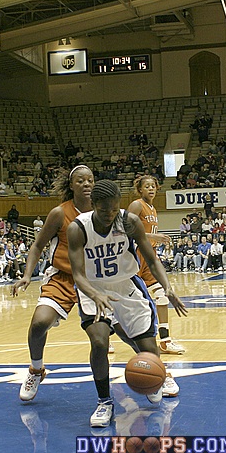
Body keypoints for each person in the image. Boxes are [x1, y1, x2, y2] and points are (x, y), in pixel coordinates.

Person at [67, 180, 188, 427]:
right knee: (99, 342)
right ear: (93, 205)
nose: (110, 215)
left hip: (127, 287)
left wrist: (168, 286)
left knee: (147, 348)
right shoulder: (78, 228)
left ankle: (155, 378)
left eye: (114, 209)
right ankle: (104, 402)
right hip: (94, 290)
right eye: (104, 210)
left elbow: (152, 259)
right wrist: (94, 294)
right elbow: (77, 274)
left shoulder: (128, 222)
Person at [13, 165, 94, 402]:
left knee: (120, 333)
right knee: (39, 324)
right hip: (62, 277)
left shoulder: (102, 210)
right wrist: (28, 275)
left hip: (94, 281)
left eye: (90, 180)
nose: (86, 184)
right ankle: (36, 369)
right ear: (71, 185)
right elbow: (37, 245)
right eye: (80, 181)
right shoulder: (59, 213)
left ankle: (158, 372)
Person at [127, 175, 186, 355]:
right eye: (147, 186)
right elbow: (125, 230)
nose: (151, 189)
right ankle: (107, 337)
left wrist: (154, 241)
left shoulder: (152, 208)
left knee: (162, 295)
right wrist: (153, 237)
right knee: (129, 300)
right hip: (134, 255)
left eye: (153, 186)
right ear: (140, 190)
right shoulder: (137, 205)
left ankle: (165, 340)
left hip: (150, 255)